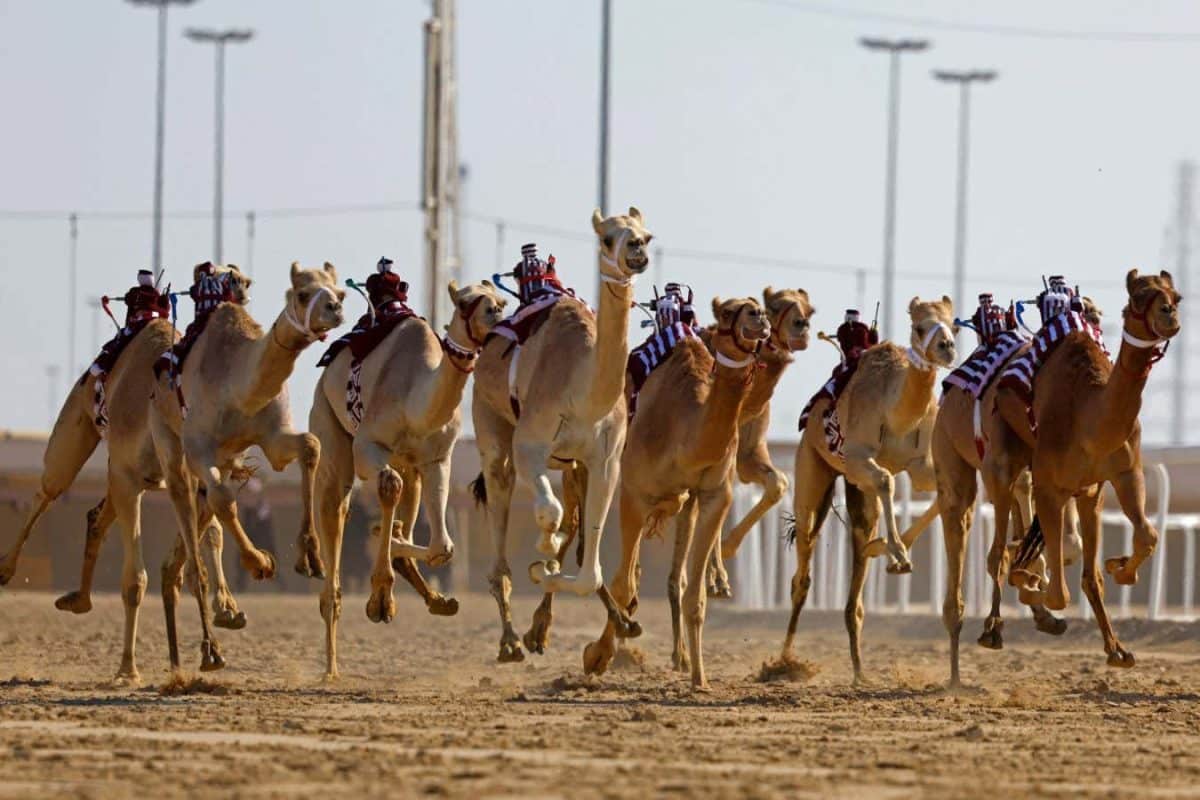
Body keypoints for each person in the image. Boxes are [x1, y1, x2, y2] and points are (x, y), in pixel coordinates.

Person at [88, 269, 170, 380]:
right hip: (154, 324)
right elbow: (165, 312)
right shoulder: (157, 296)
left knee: (120, 342)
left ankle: (103, 365)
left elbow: (127, 299)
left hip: (137, 326)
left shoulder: (134, 293)